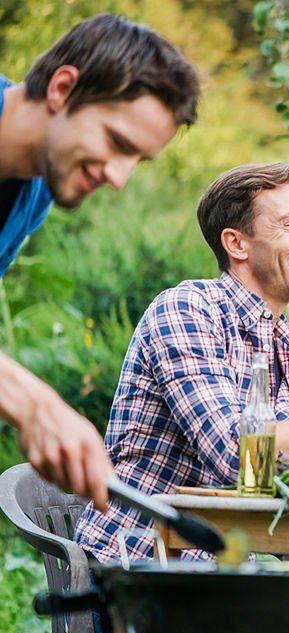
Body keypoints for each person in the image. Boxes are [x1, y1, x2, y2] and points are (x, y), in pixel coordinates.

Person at [73, 162, 289, 564]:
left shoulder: (278, 341)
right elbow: (236, 456)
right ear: (237, 244)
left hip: (224, 571)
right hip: (141, 569)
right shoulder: (186, 310)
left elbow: (270, 478)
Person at [0, 13, 200, 510]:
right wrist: (33, 402)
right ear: (63, 89)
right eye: (117, 142)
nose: (119, 178)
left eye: (138, 160)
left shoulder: (35, 190)